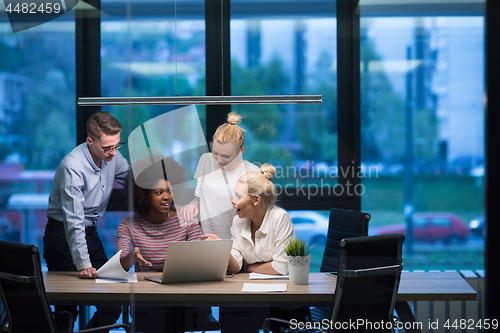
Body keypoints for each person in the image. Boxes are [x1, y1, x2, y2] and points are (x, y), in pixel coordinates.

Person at [43, 111, 129, 330]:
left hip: (91, 233)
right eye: (107, 148)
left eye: (117, 145)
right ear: (90, 141)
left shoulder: (113, 156)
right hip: (62, 236)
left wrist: (159, 186)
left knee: (112, 304)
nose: (113, 153)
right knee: (67, 308)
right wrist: (83, 264)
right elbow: (73, 219)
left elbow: (133, 180)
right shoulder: (72, 166)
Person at [116, 158, 203, 333]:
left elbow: (200, 260)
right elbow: (119, 268)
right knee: (160, 314)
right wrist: (131, 257)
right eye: (159, 192)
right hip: (146, 299)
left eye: (170, 191)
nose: (167, 197)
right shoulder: (128, 224)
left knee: (167, 313)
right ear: (144, 194)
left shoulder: (187, 219)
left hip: (182, 296)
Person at [202, 163, 295, 275]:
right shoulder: (238, 221)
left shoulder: (280, 218)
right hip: (248, 287)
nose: (233, 200)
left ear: (256, 200)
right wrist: (220, 246)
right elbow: (235, 266)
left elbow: (282, 268)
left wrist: (249, 268)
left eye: (239, 196)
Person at [179, 112, 259, 239]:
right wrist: (193, 204)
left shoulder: (253, 172)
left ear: (241, 151)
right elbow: (199, 196)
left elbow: (258, 212)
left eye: (226, 156)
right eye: (215, 153)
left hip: (240, 242)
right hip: (208, 239)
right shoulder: (206, 160)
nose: (219, 160)